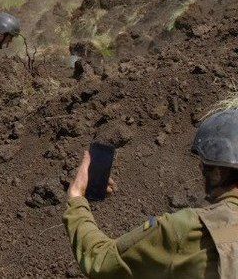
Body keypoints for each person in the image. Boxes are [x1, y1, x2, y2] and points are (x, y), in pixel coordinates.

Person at [65, 109, 238, 277]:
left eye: (203, 166)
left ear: (218, 173)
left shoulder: (188, 231)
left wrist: (77, 199)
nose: (200, 170)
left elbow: (101, 261)